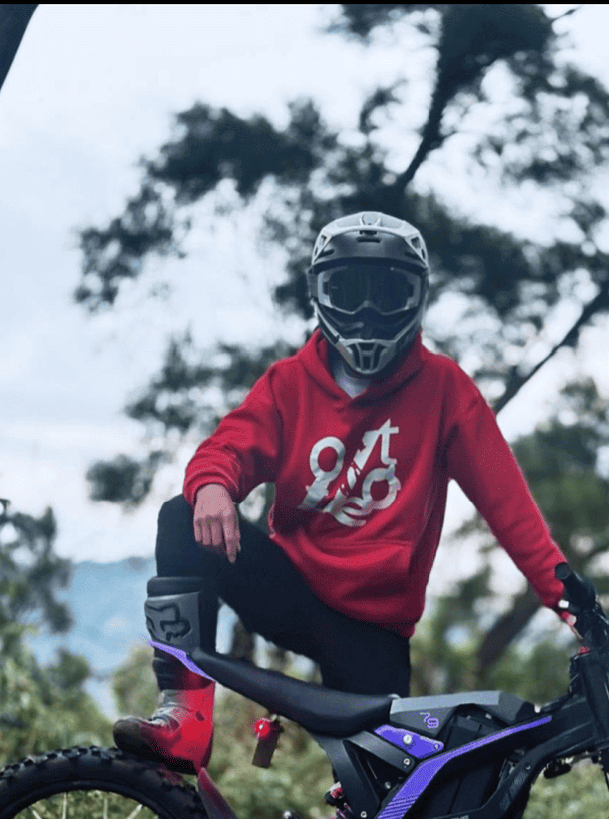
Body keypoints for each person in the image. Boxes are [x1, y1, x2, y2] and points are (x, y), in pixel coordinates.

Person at [114, 210, 570, 778]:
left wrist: (570, 601)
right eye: (349, 292)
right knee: (181, 519)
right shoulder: (288, 383)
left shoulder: (446, 389)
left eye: (388, 293)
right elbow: (227, 448)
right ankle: (184, 718)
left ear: (417, 297)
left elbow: (512, 512)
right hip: (291, 592)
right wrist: (211, 487)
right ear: (320, 293)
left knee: (383, 817)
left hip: (373, 631)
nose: (368, 312)